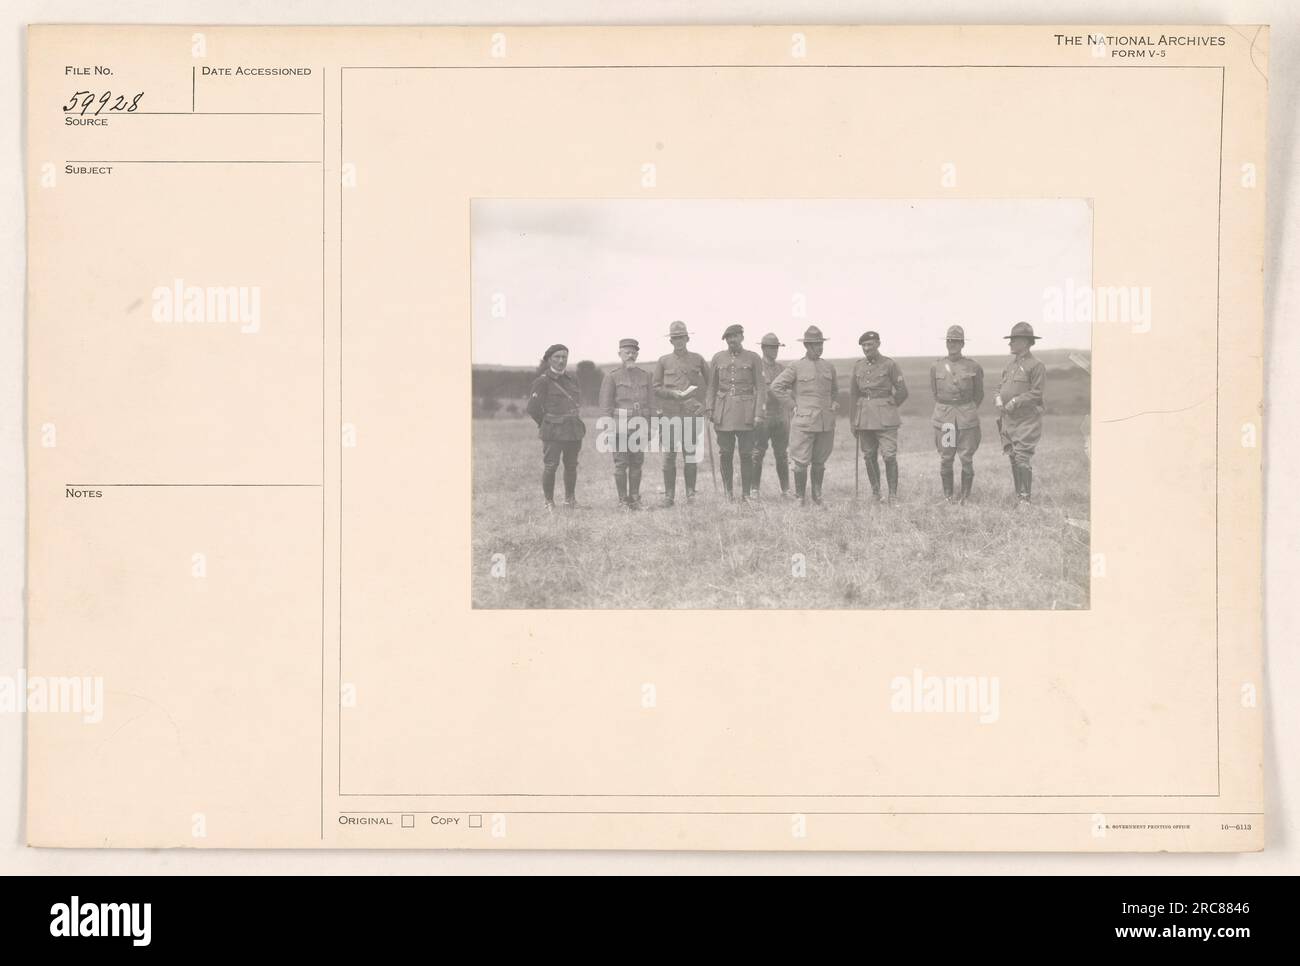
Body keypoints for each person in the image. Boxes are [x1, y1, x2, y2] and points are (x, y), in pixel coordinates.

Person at [767, 325, 838, 505]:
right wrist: (792, 405)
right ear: (806, 345)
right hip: (804, 422)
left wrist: (834, 403)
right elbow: (776, 386)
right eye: (815, 344)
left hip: (825, 423)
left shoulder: (829, 367)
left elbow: (834, 391)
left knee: (820, 461)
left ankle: (817, 496)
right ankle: (800, 498)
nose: (819, 347)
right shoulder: (796, 366)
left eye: (821, 343)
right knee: (800, 462)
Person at [704, 324, 766, 501]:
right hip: (723, 412)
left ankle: (746, 494)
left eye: (735, 336)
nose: (732, 340)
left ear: (742, 337)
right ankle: (728, 493)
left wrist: (758, 413)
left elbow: (761, 388)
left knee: (746, 454)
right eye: (728, 338)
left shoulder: (753, 358)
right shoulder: (717, 358)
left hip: (746, 412)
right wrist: (710, 408)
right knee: (725, 453)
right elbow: (711, 386)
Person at [652, 321, 710, 506]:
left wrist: (705, 405)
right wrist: (671, 394)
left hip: (691, 415)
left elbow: (711, 385)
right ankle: (669, 496)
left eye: (681, 337)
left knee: (690, 455)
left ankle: (690, 495)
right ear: (671, 341)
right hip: (670, 415)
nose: (678, 341)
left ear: (687, 338)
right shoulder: (663, 361)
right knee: (669, 456)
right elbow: (655, 388)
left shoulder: (698, 359)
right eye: (675, 338)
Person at [525, 343, 585, 510]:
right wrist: (546, 423)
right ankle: (549, 502)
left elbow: (578, 401)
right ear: (549, 360)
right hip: (553, 431)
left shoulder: (572, 379)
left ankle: (570, 500)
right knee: (551, 466)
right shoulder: (542, 382)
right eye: (557, 357)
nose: (561, 360)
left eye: (564, 357)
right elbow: (533, 408)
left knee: (571, 465)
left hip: (573, 429)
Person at [850, 330, 908, 503]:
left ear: (878, 344)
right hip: (864, 417)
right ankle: (876, 493)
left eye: (870, 345)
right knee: (868, 455)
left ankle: (892, 495)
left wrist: (888, 406)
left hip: (885, 418)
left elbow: (902, 391)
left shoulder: (889, 365)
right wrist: (853, 421)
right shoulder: (858, 366)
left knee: (889, 455)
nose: (867, 348)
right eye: (864, 346)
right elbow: (854, 395)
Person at [929, 324, 984, 503]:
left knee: (966, 457)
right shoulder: (936, 366)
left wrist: (966, 409)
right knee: (946, 457)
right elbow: (936, 393)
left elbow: (979, 394)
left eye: (956, 341)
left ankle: (965, 498)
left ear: (962, 344)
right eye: (949, 341)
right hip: (945, 418)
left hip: (966, 417)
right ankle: (948, 496)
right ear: (946, 343)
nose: (952, 344)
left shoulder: (973, 366)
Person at [599, 337, 655, 509]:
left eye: (633, 352)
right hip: (619, 427)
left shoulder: (645, 376)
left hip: (640, 426)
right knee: (621, 464)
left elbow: (651, 404)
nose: (630, 355)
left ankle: (635, 499)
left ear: (637, 354)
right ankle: (623, 501)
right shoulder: (612, 377)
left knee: (637, 463)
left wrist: (651, 427)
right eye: (627, 352)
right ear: (620, 354)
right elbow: (605, 406)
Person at [995, 322, 1046, 503]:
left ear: (1025, 342)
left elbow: (1037, 392)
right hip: (1009, 419)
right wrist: (998, 398)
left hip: (1027, 419)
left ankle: (1025, 500)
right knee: (1013, 456)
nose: (1010, 344)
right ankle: (1019, 497)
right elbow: (1000, 386)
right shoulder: (1009, 366)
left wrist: (1016, 401)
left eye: (1014, 340)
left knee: (1022, 457)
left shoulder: (1036, 365)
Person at [753, 332, 792, 498]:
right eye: (771, 347)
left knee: (782, 455)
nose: (774, 350)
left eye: (776, 347)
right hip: (763, 416)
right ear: (763, 348)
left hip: (781, 417)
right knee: (757, 453)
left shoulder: (782, 369)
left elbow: (788, 389)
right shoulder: (756, 368)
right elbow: (754, 391)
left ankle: (785, 490)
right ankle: (754, 490)